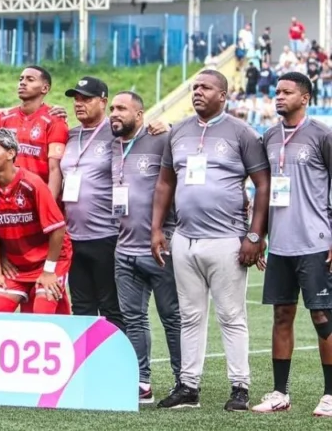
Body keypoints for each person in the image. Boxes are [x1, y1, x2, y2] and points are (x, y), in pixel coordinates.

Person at [152, 68, 271, 411]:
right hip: (185, 239)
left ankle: (240, 387)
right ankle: (188, 387)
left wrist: (254, 234)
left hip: (226, 240)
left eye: (205, 87)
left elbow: (262, 185)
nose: (197, 92)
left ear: (224, 94)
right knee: (190, 315)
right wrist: (157, 229)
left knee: (231, 317)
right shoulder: (178, 132)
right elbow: (164, 184)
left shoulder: (242, 132)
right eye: (194, 87)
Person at [251, 72, 332, 417]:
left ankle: (330, 395)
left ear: (306, 97)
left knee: (323, 317)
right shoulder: (269, 136)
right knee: (281, 316)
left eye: (287, 92)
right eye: (276, 92)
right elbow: (263, 189)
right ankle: (279, 393)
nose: (278, 97)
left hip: (316, 241)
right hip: (280, 246)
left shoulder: (322, 135)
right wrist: (260, 236)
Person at [109, 91, 181, 404]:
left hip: (160, 246)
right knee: (133, 318)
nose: (114, 113)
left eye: (122, 108)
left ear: (140, 115)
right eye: (112, 108)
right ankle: (142, 382)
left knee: (172, 317)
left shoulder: (162, 139)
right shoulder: (109, 144)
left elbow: (192, 142)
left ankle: (184, 381)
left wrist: (172, 126)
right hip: (124, 249)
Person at [0, 128, 69, 314]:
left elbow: (58, 229)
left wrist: (49, 271)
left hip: (49, 259)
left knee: (42, 313)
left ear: (11, 153)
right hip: (17, 265)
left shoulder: (32, 184)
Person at [60, 77, 124, 330]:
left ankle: (120, 367)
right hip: (74, 236)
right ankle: (87, 367)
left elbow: (145, 131)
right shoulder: (69, 134)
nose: (78, 103)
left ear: (103, 102)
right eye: (75, 98)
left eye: (86, 98)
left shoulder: (116, 132)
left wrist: (163, 126)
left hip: (107, 234)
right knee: (82, 308)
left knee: (112, 308)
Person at [0, 66, 68, 196]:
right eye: (21, 79)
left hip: (38, 197)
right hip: (7, 199)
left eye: (30, 79)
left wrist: (49, 206)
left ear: (45, 88)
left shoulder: (55, 120)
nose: (23, 83)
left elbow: (55, 169)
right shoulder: (5, 118)